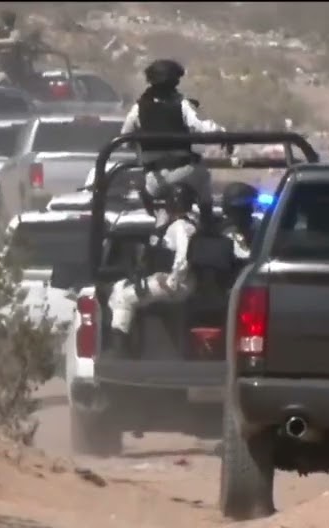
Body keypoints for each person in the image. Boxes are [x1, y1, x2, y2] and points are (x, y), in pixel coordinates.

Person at [120, 59, 224, 238]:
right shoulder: (182, 105)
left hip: (154, 180)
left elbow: (125, 138)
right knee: (204, 176)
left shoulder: (138, 108)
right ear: (175, 81)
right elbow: (204, 127)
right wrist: (223, 134)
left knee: (153, 196)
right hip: (184, 173)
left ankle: (159, 230)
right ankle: (208, 224)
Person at [106, 183, 201, 355]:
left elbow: (183, 258)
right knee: (120, 287)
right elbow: (155, 248)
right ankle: (126, 342)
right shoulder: (178, 224)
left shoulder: (181, 226)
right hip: (171, 278)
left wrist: (172, 282)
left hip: (178, 283)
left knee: (122, 298)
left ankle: (120, 350)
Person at [220, 182, 259, 261]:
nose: (251, 211)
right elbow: (247, 258)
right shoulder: (230, 233)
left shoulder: (258, 228)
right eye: (249, 207)